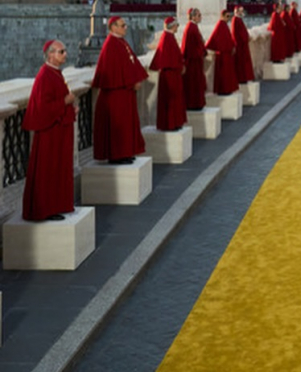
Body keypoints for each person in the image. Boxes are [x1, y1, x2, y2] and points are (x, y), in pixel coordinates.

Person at [22, 39, 78, 221]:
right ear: (51, 55)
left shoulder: (54, 73)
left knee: (58, 169)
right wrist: (65, 102)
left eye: (64, 51)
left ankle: (57, 205)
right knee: (48, 170)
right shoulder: (45, 75)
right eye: (62, 52)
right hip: (49, 133)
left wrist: (71, 107)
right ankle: (45, 209)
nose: (65, 55)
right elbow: (43, 108)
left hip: (58, 131)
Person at [92, 15, 149, 164]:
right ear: (113, 27)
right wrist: (131, 82)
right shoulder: (111, 44)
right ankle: (117, 155)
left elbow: (130, 63)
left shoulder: (121, 42)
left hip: (125, 92)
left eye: (125, 25)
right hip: (116, 93)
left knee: (127, 124)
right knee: (118, 125)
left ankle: (126, 152)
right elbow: (114, 72)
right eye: (123, 26)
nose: (125, 28)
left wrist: (136, 79)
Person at [150, 17, 187, 131]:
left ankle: (175, 122)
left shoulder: (169, 37)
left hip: (173, 74)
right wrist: (179, 66)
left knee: (174, 100)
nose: (177, 27)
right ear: (172, 26)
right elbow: (168, 59)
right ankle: (170, 124)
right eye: (176, 25)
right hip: (170, 75)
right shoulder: (167, 38)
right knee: (170, 100)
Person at [205, 11, 239, 95]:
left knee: (228, 75)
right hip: (221, 55)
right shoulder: (220, 25)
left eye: (229, 16)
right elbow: (213, 38)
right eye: (227, 16)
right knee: (223, 75)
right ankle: (223, 90)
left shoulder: (224, 25)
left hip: (227, 54)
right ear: (222, 16)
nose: (228, 18)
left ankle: (227, 90)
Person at [181, 8, 207, 110]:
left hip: (195, 60)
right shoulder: (191, 28)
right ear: (193, 17)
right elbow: (188, 46)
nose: (200, 17)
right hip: (192, 61)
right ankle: (193, 104)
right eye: (199, 15)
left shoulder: (193, 27)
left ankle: (196, 104)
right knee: (193, 85)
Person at [231, 6, 255, 84]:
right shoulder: (235, 20)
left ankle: (245, 78)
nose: (242, 12)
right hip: (239, 45)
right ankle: (241, 78)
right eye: (241, 11)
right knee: (240, 64)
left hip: (243, 45)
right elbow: (235, 33)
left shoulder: (239, 19)